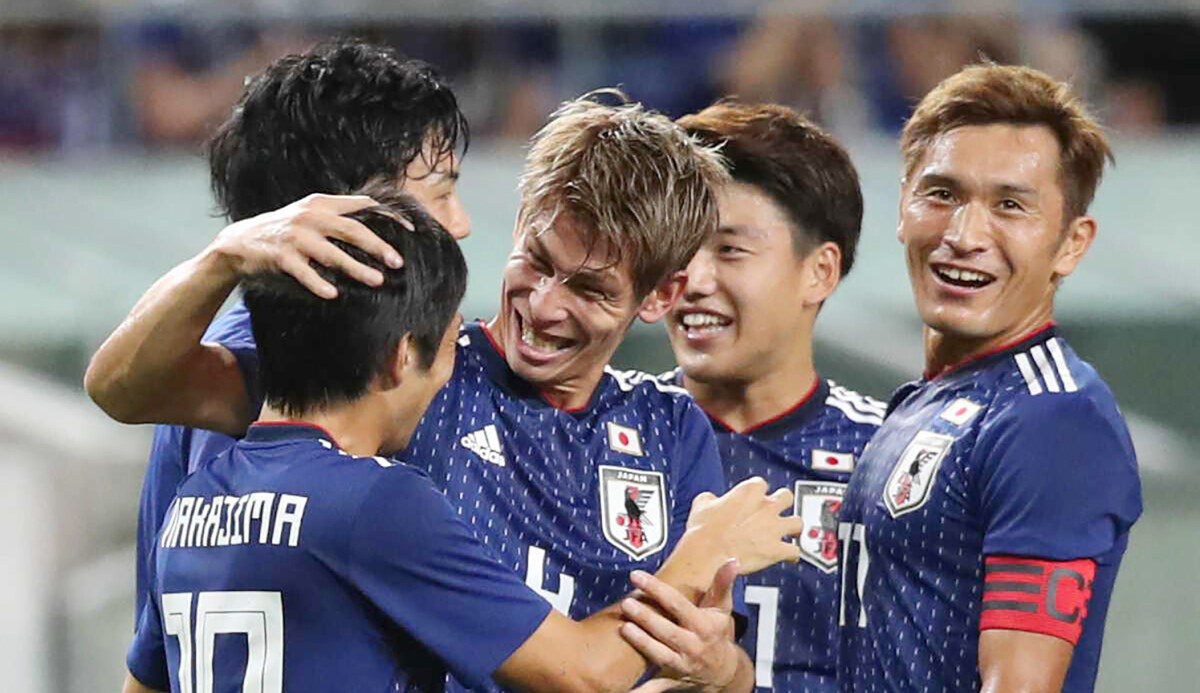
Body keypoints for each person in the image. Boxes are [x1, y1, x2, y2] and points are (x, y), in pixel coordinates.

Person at [88, 86, 760, 691]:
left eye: (588, 288)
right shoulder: (393, 369)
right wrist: (225, 254)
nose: (546, 305)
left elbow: (710, 660)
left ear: (661, 295)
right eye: (537, 260)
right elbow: (125, 388)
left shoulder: (672, 430)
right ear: (523, 217)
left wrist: (720, 672)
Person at [84, 38, 471, 628]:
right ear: (346, 211)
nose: (460, 224)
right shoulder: (275, 360)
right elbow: (116, 387)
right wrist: (222, 258)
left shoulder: (368, 336)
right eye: (440, 192)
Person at [835, 63, 1142, 693]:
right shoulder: (933, 401)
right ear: (902, 206)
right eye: (942, 194)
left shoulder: (1052, 421)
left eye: (1010, 206)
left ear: (1071, 244)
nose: (964, 235)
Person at [616, 100, 884, 693]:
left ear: (820, 271)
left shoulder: (884, 462)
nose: (694, 283)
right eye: (682, 250)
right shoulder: (599, 436)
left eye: (730, 250)